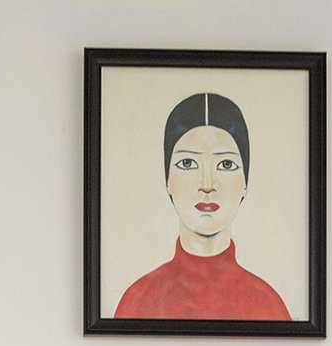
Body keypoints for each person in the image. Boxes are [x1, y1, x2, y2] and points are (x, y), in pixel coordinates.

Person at [114, 92, 290, 320]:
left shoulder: (269, 304)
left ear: (245, 183)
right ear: (168, 180)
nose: (207, 184)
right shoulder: (137, 300)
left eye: (226, 164)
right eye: (187, 163)